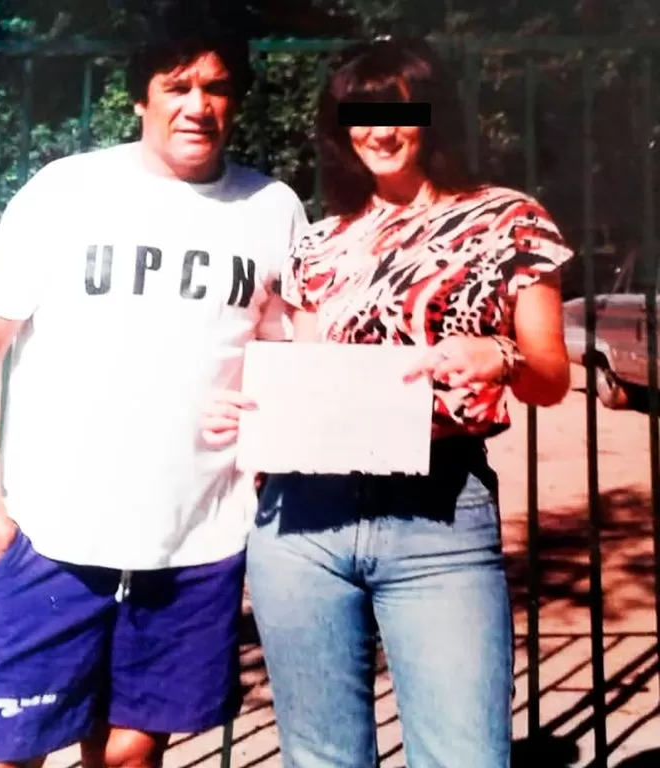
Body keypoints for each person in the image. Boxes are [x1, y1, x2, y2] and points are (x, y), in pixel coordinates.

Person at [0, 8, 307, 768]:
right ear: (142, 96)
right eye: (177, 86)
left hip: (195, 539)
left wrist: (269, 425)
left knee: (131, 754)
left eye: (216, 88)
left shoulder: (273, 208)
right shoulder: (67, 189)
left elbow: (290, 358)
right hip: (51, 533)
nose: (197, 105)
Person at [201, 38, 573, 768]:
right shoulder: (317, 243)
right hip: (303, 523)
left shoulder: (510, 221)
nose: (377, 131)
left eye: (398, 111)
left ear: (433, 115)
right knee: (322, 759)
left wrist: (500, 355)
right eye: (358, 115)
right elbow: (311, 380)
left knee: (464, 756)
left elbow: (552, 377)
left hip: (439, 517)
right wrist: (249, 414)